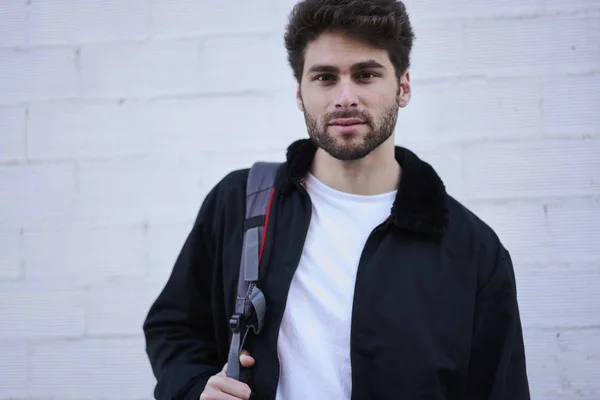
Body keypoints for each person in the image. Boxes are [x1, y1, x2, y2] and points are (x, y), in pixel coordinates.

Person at [142, 0, 531, 399]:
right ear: (300, 94)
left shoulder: (472, 249)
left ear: (404, 87)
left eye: (365, 75)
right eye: (325, 78)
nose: (345, 97)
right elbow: (175, 328)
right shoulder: (241, 202)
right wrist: (194, 389)